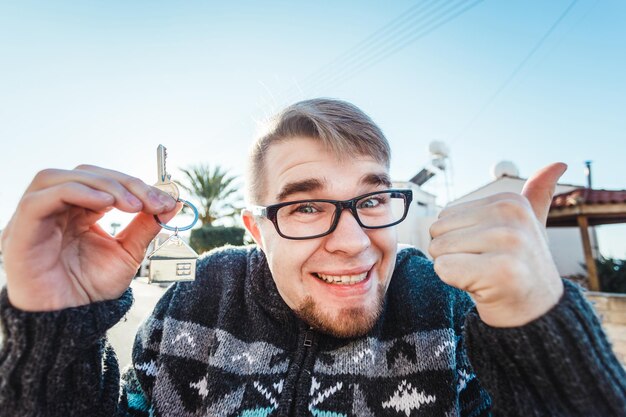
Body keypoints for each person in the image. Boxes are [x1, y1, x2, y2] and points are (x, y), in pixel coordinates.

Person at [0, 99, 624, 417]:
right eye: (304, 208)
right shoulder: (196, 304)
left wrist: (541, 325)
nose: (353, 241)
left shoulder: (449, 310)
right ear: (256, 228)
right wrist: (54, 332)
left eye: (372, 199)